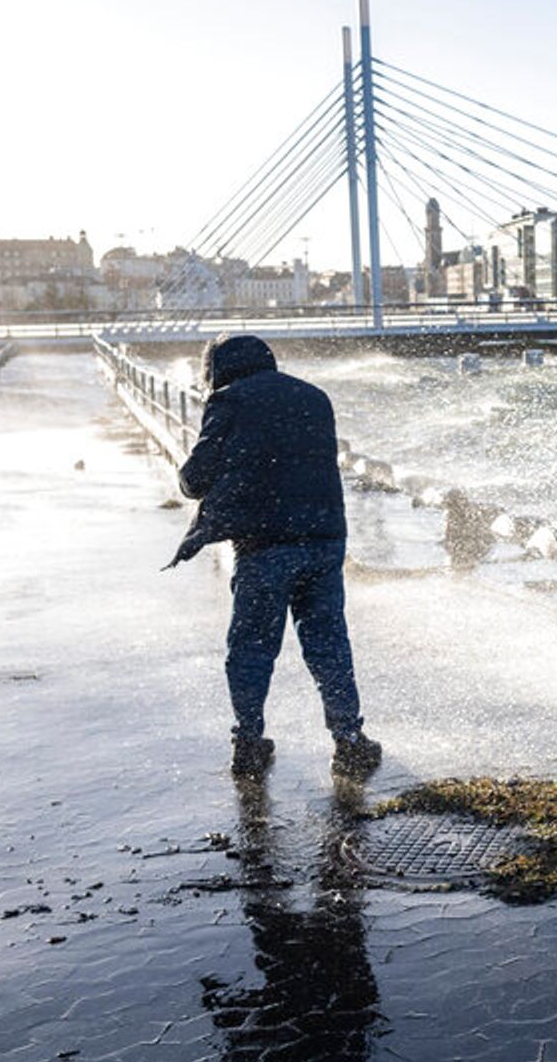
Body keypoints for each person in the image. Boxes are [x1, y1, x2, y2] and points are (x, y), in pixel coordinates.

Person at [167, 334, 382, 779]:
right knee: (328, 644)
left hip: (265, 545)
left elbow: (195, 480)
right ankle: (349, 741)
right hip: (324, 538)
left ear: (218, 368)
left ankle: (249, 743)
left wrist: (190, 476)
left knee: (252, 647)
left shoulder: (228, 401)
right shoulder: (315, 397)